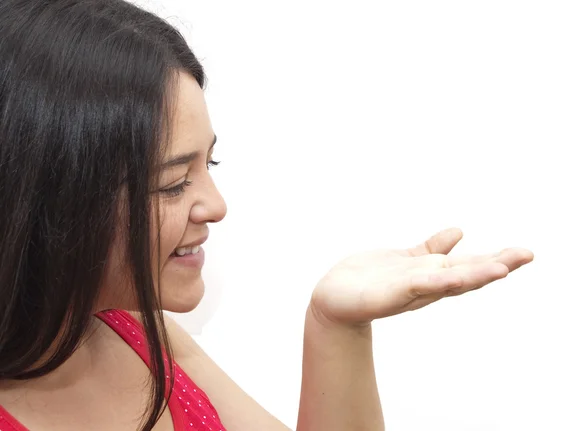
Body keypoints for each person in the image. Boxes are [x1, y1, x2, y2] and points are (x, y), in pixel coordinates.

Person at [0, 1, 534, 430]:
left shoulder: (140, 337)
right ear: (51, 198)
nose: (216, 205)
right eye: (172, 183)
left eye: (208, 163)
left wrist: (336, 326)